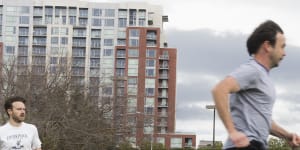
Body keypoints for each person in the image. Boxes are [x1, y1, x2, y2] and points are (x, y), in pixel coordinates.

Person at [211, 20, 300, 150]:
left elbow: (263, 121)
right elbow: (219, 90)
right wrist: (232, 132)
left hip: (257, 145)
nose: (284, 53)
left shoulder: (263, 76)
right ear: (268, 46)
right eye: (282, 46)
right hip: (244, 146)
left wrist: (287, 135)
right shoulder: (253, 70)